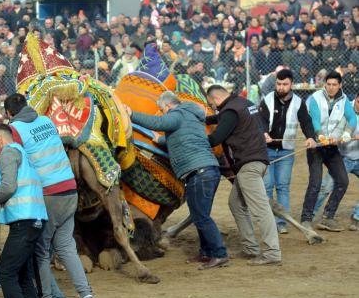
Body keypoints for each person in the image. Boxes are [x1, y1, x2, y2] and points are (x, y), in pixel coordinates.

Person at [4, 93, 97, 298]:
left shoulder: (15, 129)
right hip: (69, 190)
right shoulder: (46, 121)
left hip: (48, 195)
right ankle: (87, 297)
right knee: (66, 246)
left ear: (8, 113)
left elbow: (14, 158)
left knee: (42, 251)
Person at [128, 91, 229, 269]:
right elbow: (182, 138)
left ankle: (219, 254)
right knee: (199, 216)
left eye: (162, 110)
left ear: (167, 106)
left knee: (202, 217)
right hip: (204, 170)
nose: (162, 113)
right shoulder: (191, 116)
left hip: (200, 172)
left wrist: (131, 114)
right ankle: (206, 253)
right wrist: (161, 140)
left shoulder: (178, 114)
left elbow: (157, 123)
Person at [206, 85, 282, 266]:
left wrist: (191, 137)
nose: (214, 108)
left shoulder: (230, 111)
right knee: (236, 204)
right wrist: (204, 118)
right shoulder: (244, 103)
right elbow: (222, 118)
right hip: (256, 161)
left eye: (212, 104)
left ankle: (272, 253)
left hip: (249, 164)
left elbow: (216, 138)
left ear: (216, 99)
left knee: (260, 209)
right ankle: (250, 248)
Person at [0, 124, 48, 298]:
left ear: (0, 140)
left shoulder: (8, 153)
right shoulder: (23, 153)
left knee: (5, 271)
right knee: (22, 270)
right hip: (35, 218)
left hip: (24, 219)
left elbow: (8, 187)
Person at [258, 69, 318, 234]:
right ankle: (269, 221)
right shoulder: (267, 100)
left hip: (286, 152)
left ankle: (281, 222)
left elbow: (306, 122)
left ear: (291, 84)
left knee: (283, 186)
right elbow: (260, 121)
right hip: (267, 151)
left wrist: (311, 137)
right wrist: (263, 133)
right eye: (278, 83)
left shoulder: (299, 102)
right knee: (267, 186)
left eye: (285, 84)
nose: (281, 87)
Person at [302, 71, 357, 231]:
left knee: (342, 181)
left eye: (334, 85)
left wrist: (347, 133)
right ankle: (306, 218)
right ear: (324, 84)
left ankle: (328, 217)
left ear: (340, 85)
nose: (331, 88)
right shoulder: (315, 98)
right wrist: (320, 135)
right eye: (328, 84)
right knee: (315, 182)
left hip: (332, 147)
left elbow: (352, 117)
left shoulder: (344, 99)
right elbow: (315, 119)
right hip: (316, 147)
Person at [314, 95, 359, 229]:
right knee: (326, 187)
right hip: (342, 157)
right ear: (356, 99)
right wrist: (342, 136)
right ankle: (310, 213)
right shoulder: (344, 109)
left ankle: (356, 217)